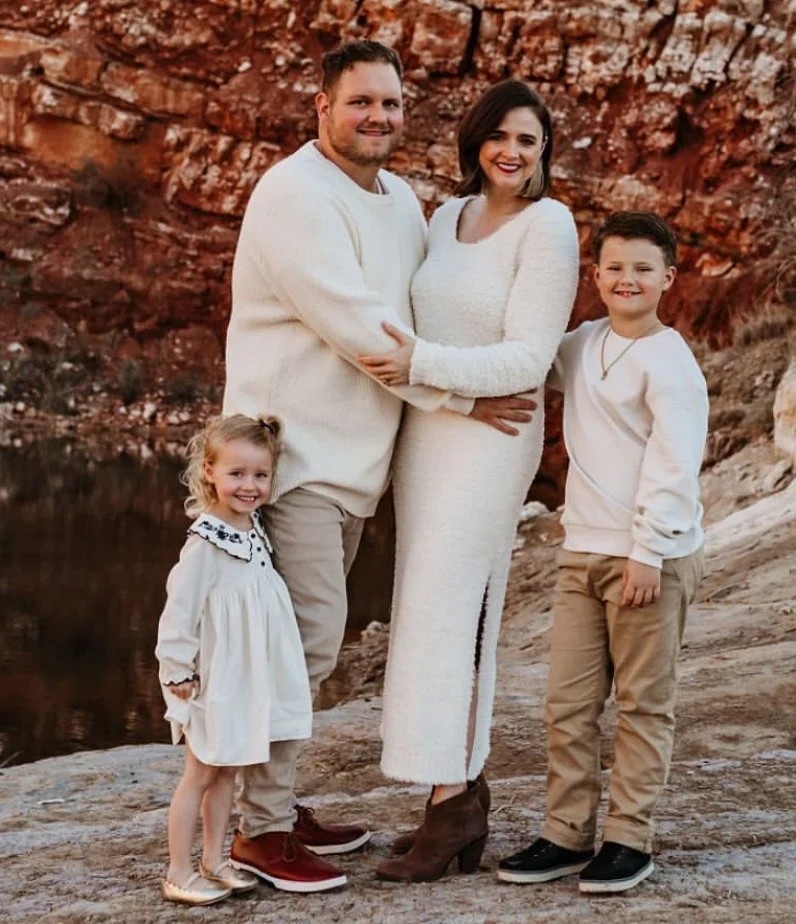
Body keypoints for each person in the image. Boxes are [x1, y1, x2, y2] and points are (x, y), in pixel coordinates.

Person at [221, 40, 533, 892]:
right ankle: (259, 831)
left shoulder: (399, 199)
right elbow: (362, 329)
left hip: (360, 463)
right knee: (302, 647)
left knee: (302, 645)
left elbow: (421, 312)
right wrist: (468, 401)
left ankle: (276, 807)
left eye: (392, 105)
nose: (378, 118)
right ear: (320, 105)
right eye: (361, 102)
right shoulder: (292, 194)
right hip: (293, 462)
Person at [356, 79, 580, 882]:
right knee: (423, 604)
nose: (512, 152)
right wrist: (445, 385)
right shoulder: (444, 217)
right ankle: (453, 797)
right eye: (499, 136)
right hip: (433, 429)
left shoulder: (550, 227)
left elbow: (529, 357)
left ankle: (453, 808)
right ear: (475, 142)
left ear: (543, 151)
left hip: (494, 440)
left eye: (528, 140)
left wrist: (427, 366)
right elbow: (404, 325)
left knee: (461, 606)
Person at [497, 211, 708, 894]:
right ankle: (565, 834)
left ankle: (629, 840)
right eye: (615, 267)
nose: (627, 279)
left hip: (649, 559)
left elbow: (674, 467)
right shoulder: (583, 344)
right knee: (568, 703)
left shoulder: (670, 362)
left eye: (643, 269)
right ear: (595, 275)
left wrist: (648, 552)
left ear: (667, 279)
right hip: (580, 552)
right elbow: (524, 357)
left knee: (644, 704)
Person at [156, 414, 312, 905]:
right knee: (200, 773)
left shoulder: (252, 531)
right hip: (213, 678)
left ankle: (214, 860)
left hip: (244, 676)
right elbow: (178, 612)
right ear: (209, 473)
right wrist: (178, 670)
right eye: (237, 474)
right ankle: (178, 870)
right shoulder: (205, 542)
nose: (249, 486)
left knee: (227, 772)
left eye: (260, 475)